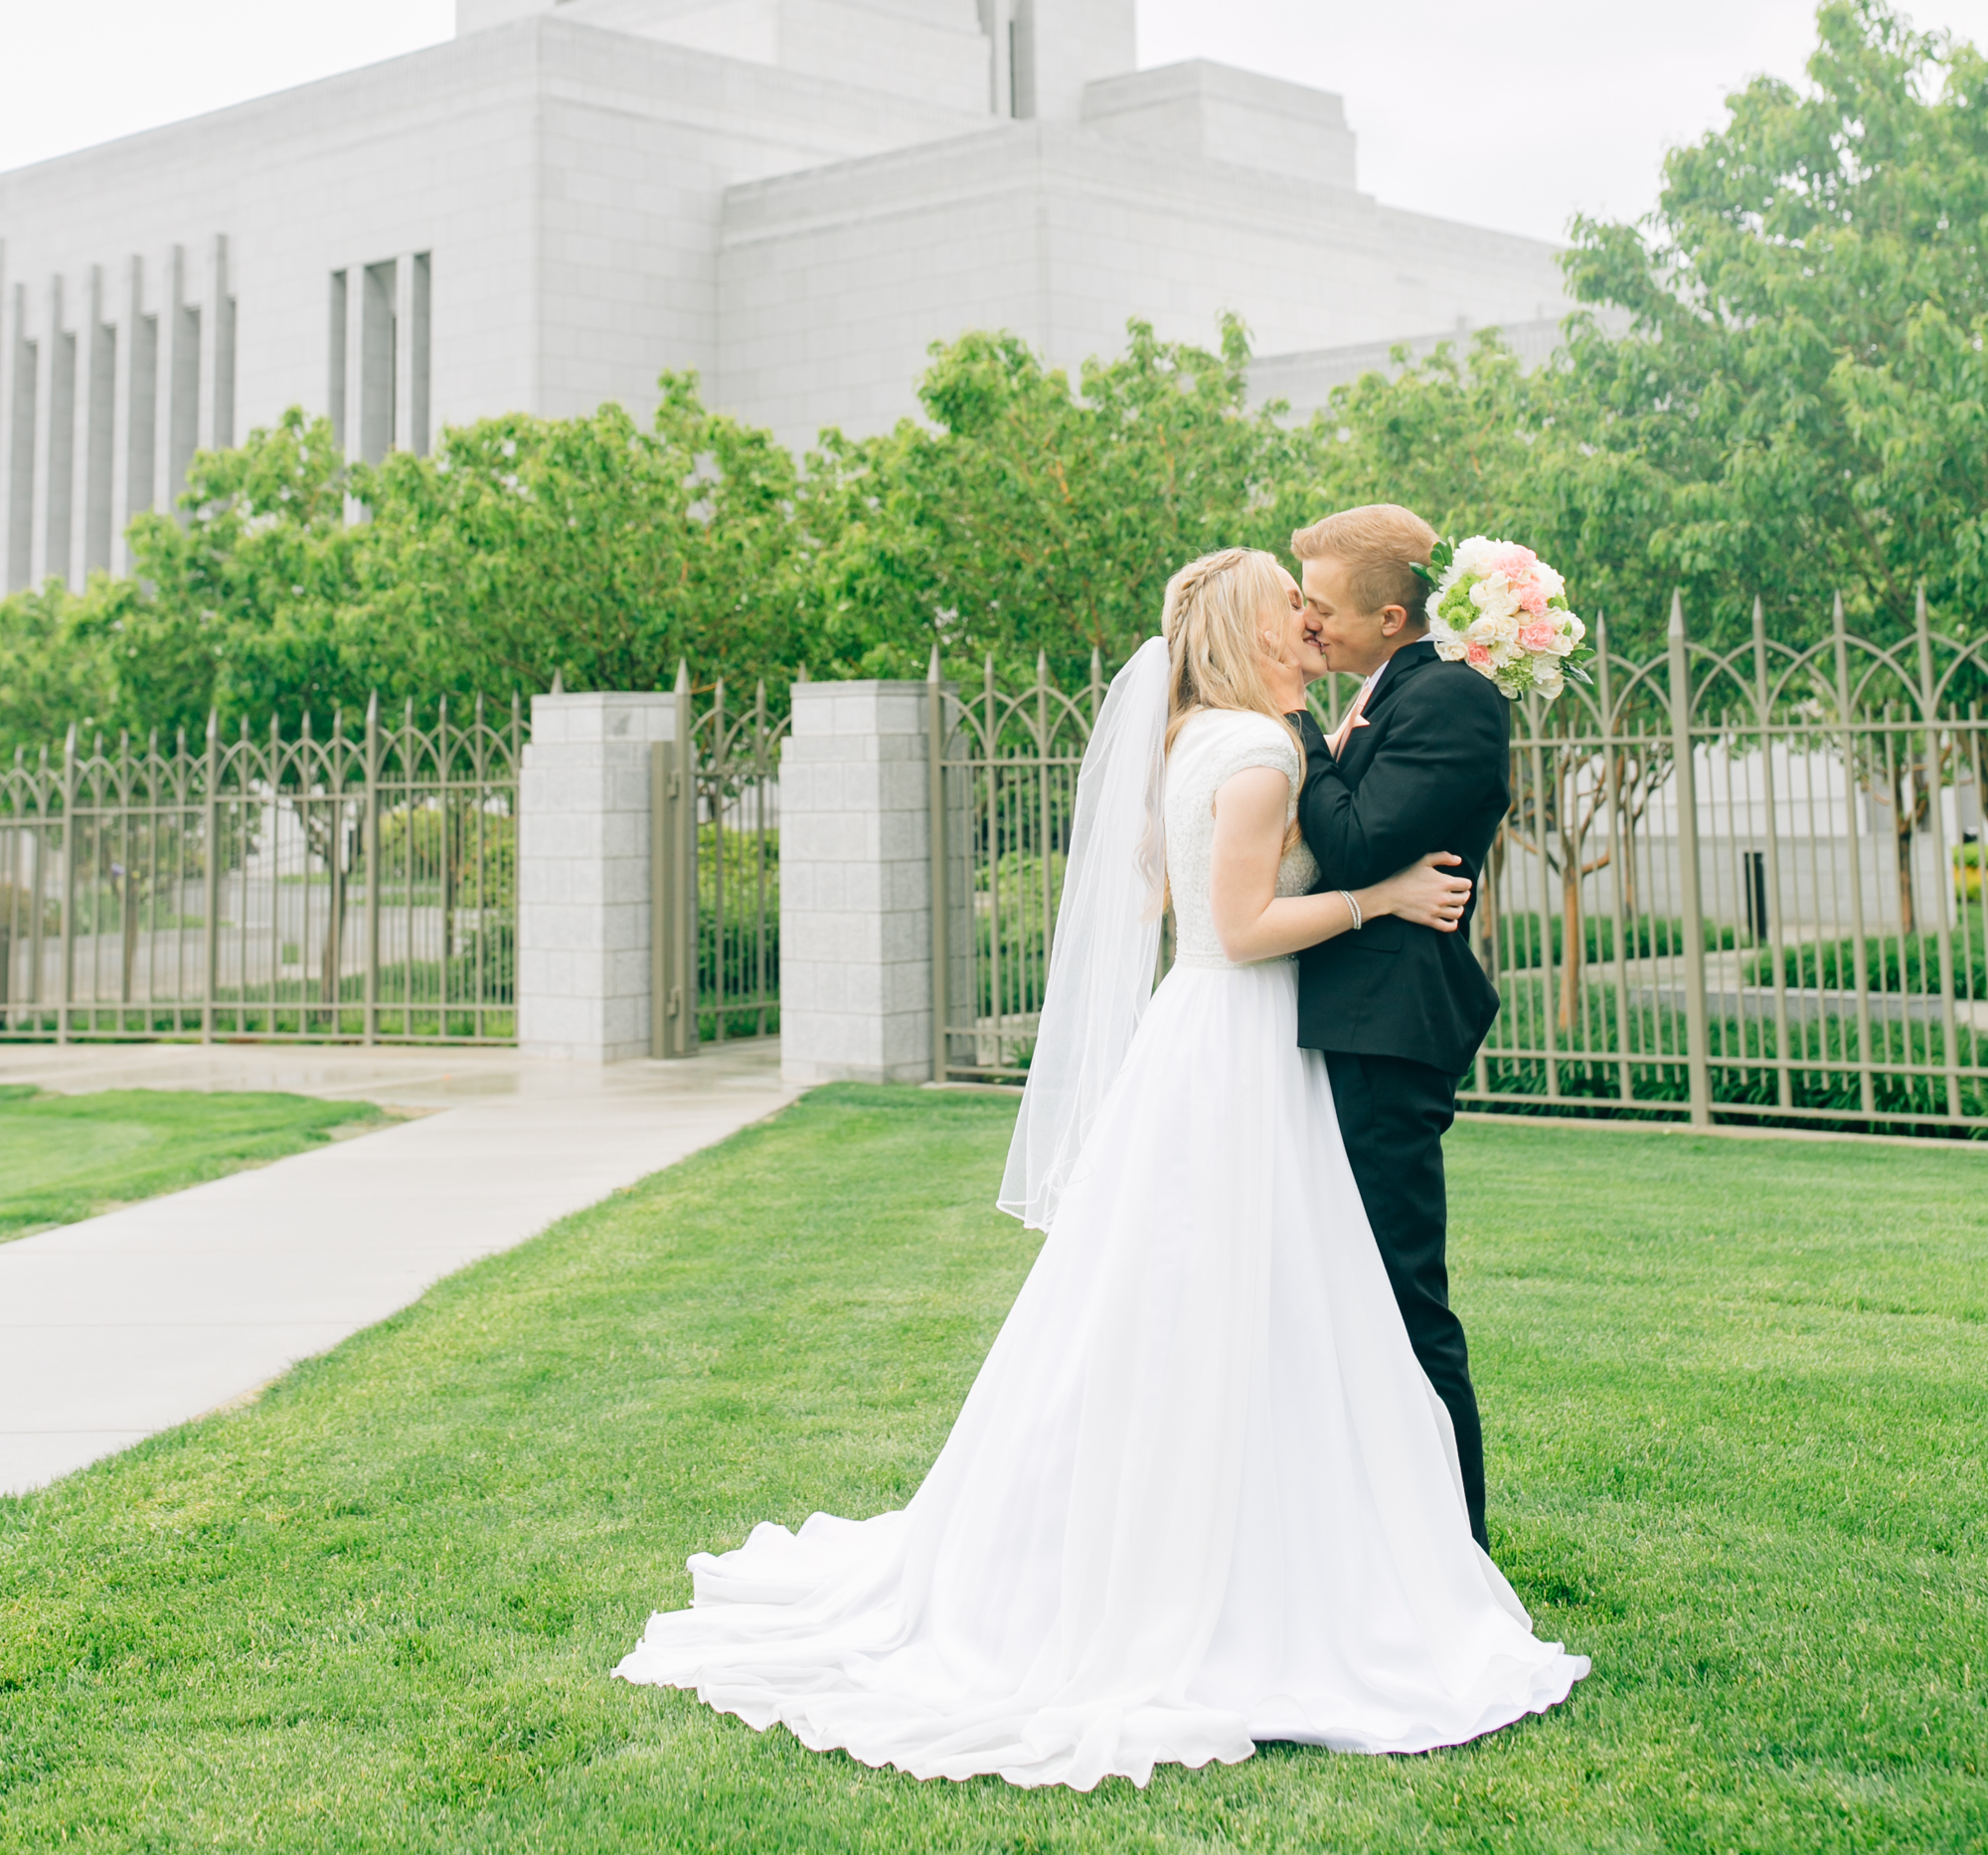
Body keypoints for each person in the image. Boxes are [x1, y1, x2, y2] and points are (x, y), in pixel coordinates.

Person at [612, 548, 1585, 1789]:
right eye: (1286, 609)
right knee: (1240, 1300)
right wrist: (1379, 896)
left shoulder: (1202, 738)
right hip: (1236, 1044)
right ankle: (1258, 1566)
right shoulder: (1252, 753)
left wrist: (1324, 749)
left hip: (1208, 1046)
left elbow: (1175, 895)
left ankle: (1258, 1535)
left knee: (1205, 1306)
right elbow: (1236, 934)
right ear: (1247, 629)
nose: (1304, 621)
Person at [1289, 504, 1507, 1551]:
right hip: (1334, 1019)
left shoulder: (1451, 699)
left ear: (1388, 614)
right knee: (1330, 1299)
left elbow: (1353, 843)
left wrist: (1290, 725)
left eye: (1320, 609)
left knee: (1398, 1295)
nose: (1305, 625)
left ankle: (1452, 1554)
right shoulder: (1380, 697)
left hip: (1385, 1033)